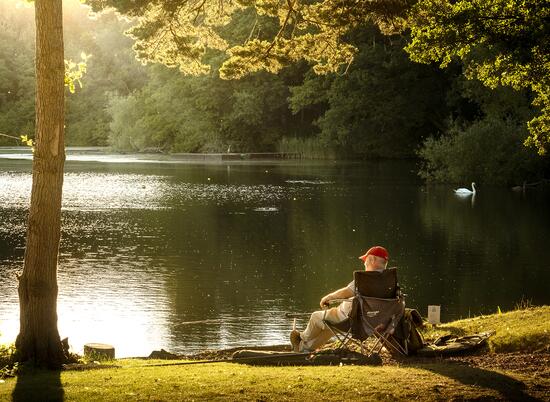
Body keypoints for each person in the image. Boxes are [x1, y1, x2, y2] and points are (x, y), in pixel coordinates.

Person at [290, 245, 390, 352]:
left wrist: (328, 297)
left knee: (316, 317)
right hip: (373, 323)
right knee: (327, 328)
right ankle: (303, 348)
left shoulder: (365, 279)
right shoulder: (389, 280)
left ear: (372, 259)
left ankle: (300, 338)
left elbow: (346, 292)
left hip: (350, 321)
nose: (364, 263)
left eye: (365, 260)